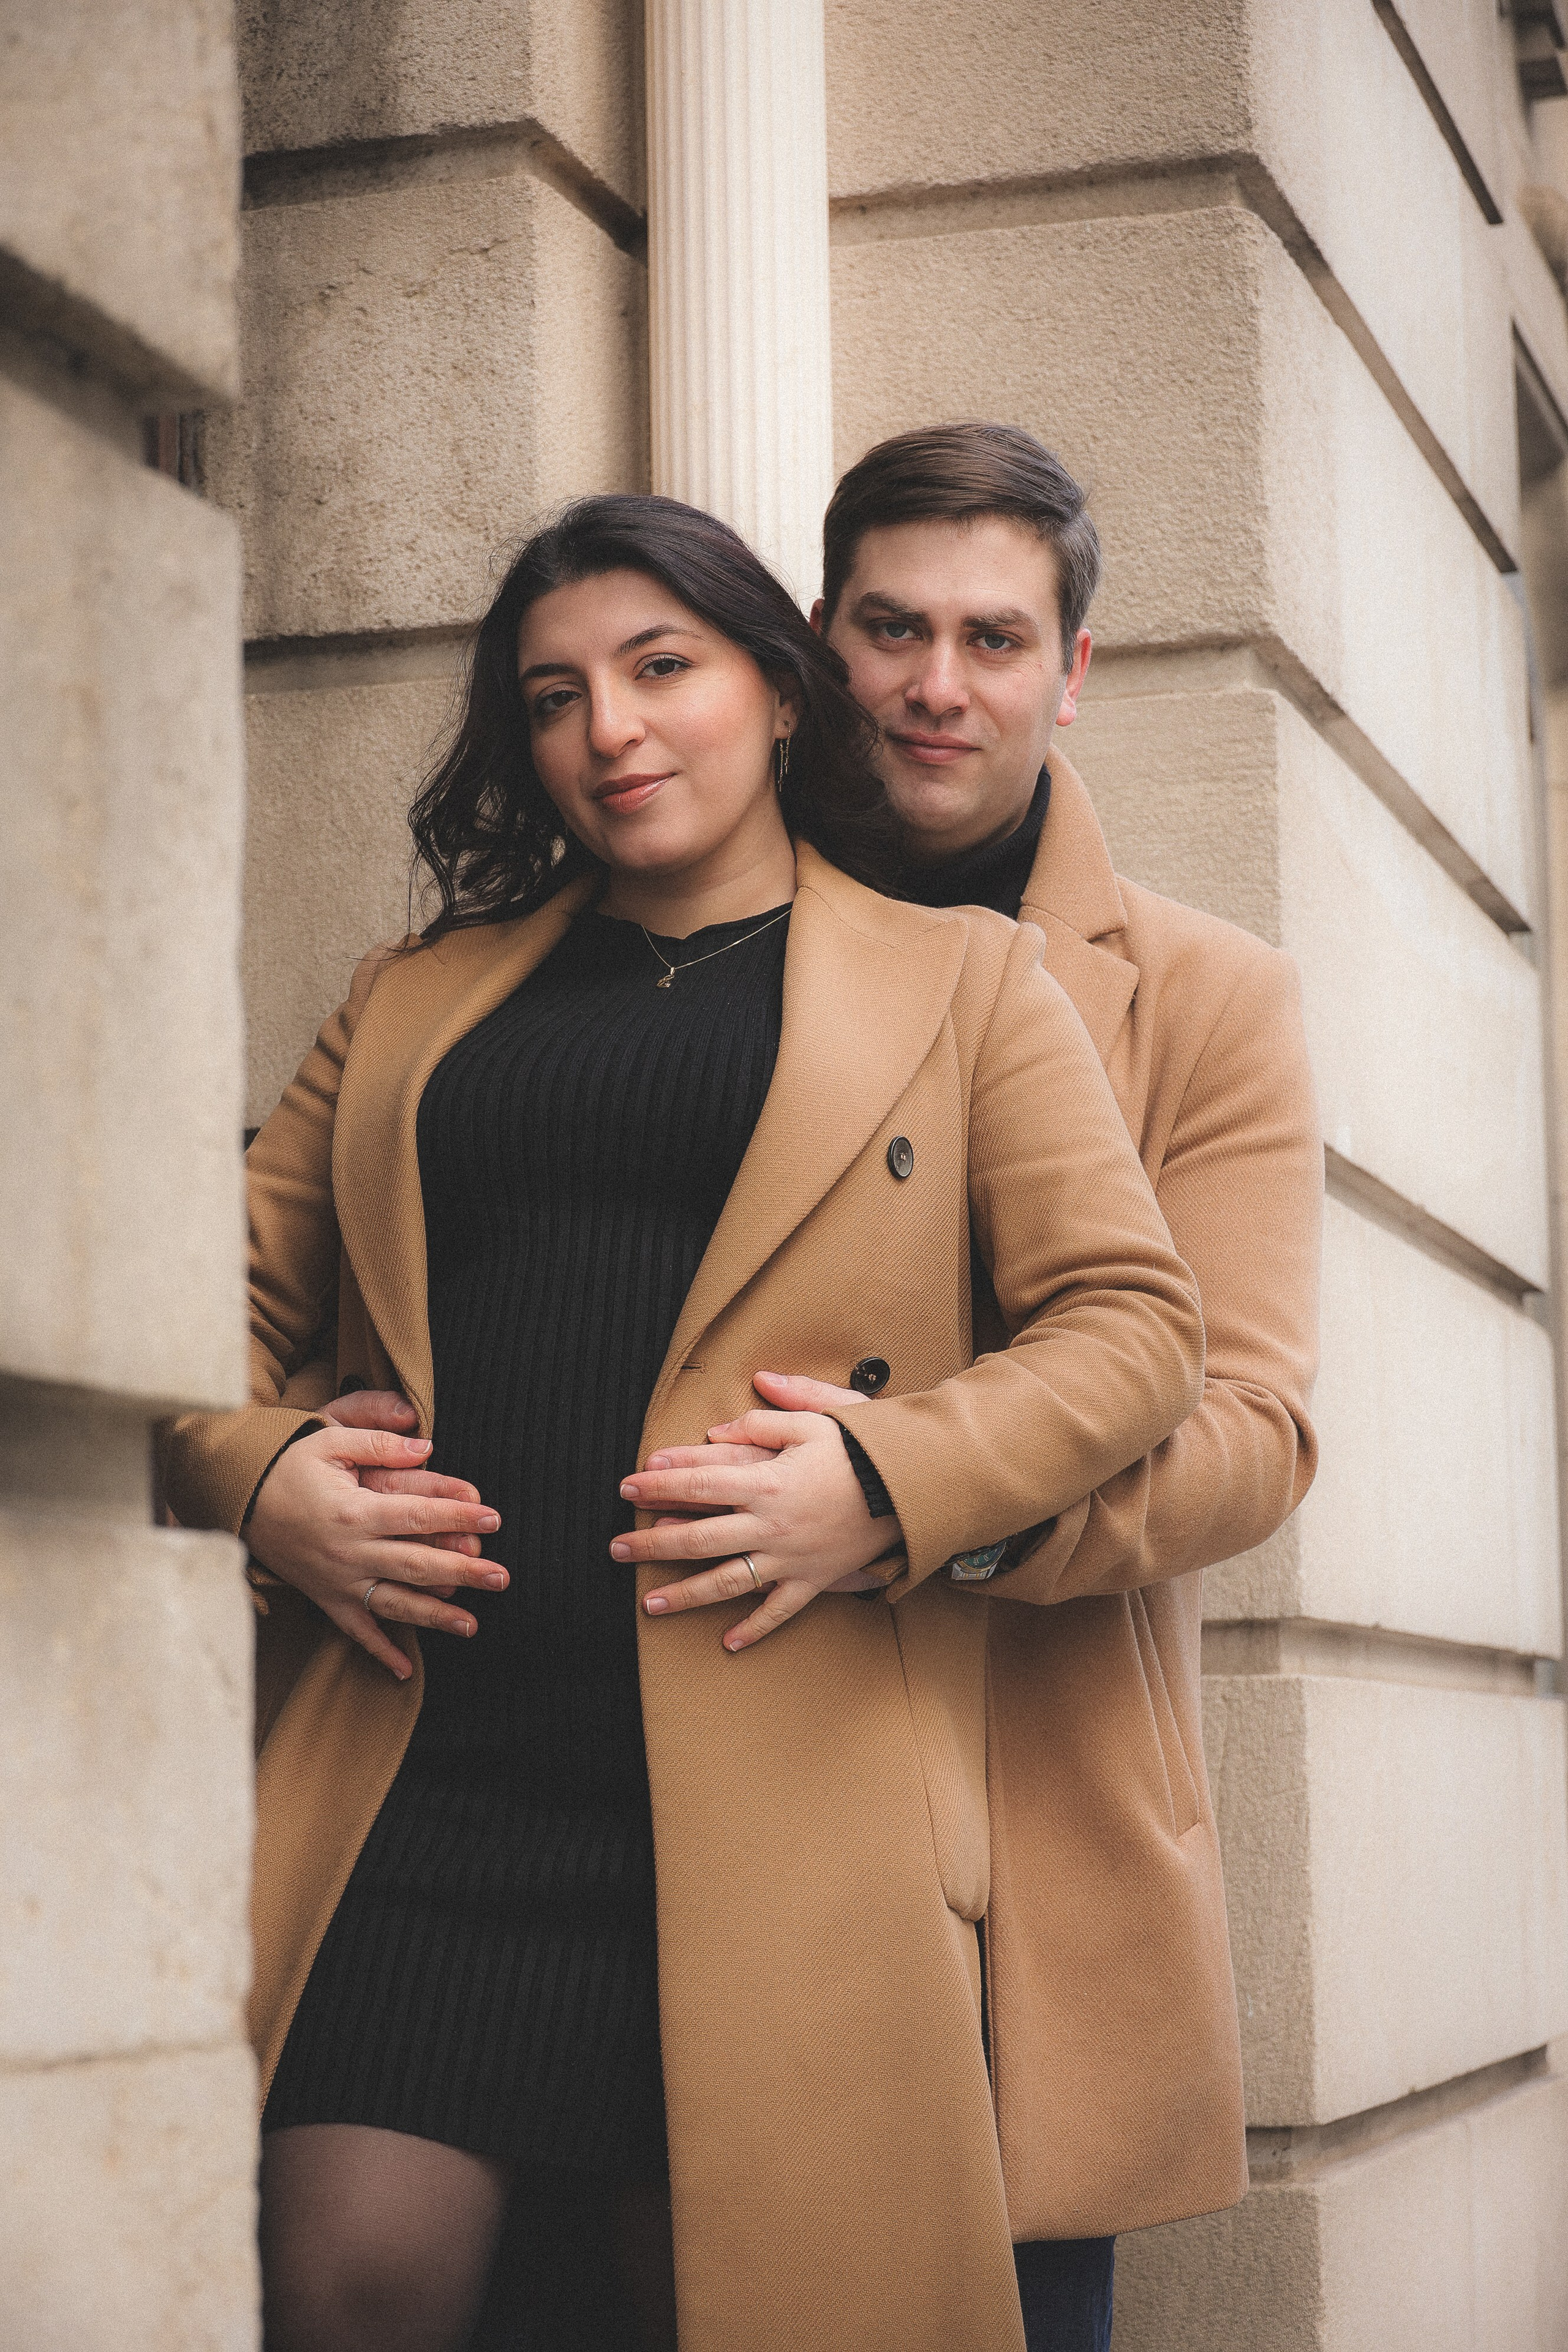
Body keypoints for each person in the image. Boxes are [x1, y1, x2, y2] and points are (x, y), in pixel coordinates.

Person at [162, 492, 1208, 2352]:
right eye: (554, 695)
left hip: (770, 1794)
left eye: (663, 670)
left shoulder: (969, 985)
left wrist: (886, 1484)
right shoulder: (414, 1000)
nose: (610, 731)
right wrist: (265, 1484)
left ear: (782, 691)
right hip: (430, 1775)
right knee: (336, 2287)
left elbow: (1134, 1332)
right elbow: (190, 1322)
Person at [622, 424, 1322, 2351]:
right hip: (659, 1743)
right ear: (815, 646)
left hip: (1026, 1782)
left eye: (997, 639)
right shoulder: (658, 940)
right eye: (891, 628)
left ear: (1072, 670)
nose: (939, 686)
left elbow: (1255, 1428)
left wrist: (915, 1499)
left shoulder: (1206, 994)